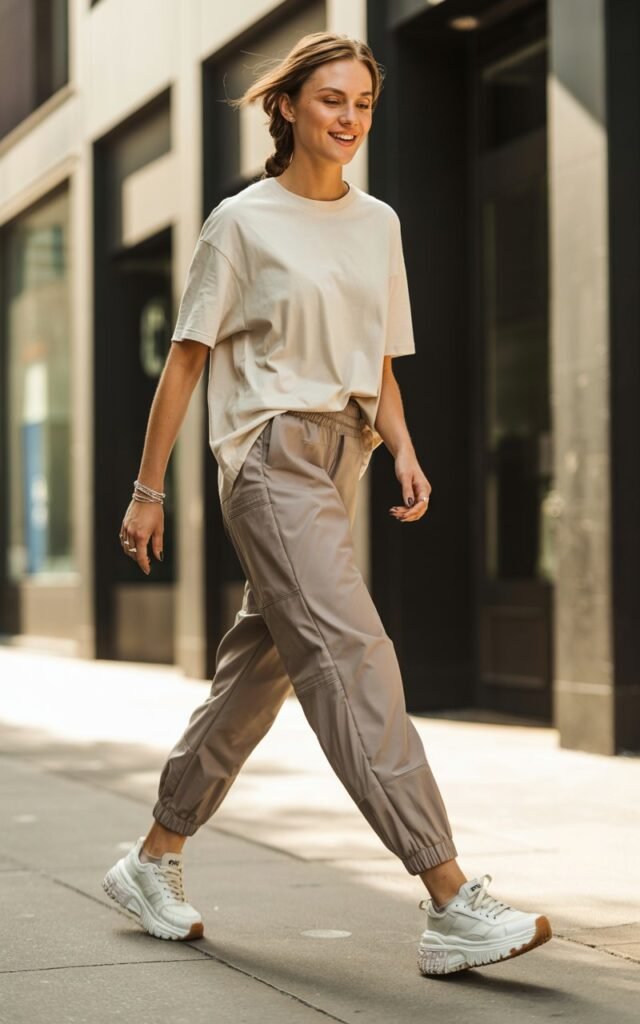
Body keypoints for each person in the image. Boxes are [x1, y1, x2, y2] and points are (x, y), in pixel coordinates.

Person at [102, 31, 552, 976]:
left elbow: (377, 353)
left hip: (341, 454)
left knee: (258, 672)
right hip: (267, 460)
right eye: (330, 101)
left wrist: (403, 448)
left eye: (363, 104)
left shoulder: (378, 223)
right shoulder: (242, 222)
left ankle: (153, 857)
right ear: (288, 109)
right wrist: (147, 490)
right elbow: (187, 356)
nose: (348, 119)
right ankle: (447, 895)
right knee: (353, 656)